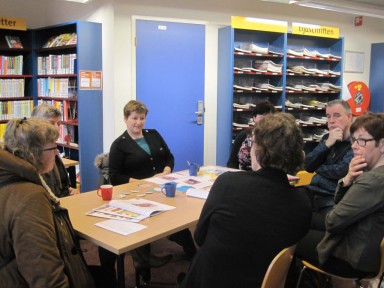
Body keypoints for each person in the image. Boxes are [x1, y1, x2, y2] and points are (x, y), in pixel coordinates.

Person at [179, 113, 312, 288]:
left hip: (213, 279)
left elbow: (200, 237)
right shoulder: (304, 202)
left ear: (258, 150)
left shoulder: (228, 183)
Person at [102, 100, 196, 283]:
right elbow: (114, 176)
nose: (138, 122)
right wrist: (141, 182)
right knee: (146, 224)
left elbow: (169, 156)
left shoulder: (153, 134)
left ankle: (191, 253)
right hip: (136, 192)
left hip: (163, 185)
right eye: (134, 118)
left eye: (142, 118)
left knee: (180, 215)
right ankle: (143, 265)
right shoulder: (119, 145)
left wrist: (167, 171)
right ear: (125, 119)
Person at [0, 118, 95, 288]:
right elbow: (44, 271)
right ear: (33, 153)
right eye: (53, 147)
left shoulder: (9, 179)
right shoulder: (30, 198)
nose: (57, 152)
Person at [294, 112, 384, 287]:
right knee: (304, 220)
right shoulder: (371, 174)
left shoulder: (373, 180)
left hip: (350, 258)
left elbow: (333, 221)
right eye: (354, 141)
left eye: (362, 141)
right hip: (361, 248)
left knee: (289, 234)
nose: (355, 147)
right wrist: (347, 179)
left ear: (382, 145)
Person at [304, 99, 353, 228]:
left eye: (337, 115)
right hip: (312, 193)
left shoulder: (357, 142)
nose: (331, 120)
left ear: (349, 117)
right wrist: (326, 145)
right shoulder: (328, 138)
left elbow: (341, 171)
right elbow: (308, 165)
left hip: (332, 198)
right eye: (328, 116)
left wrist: (317, 166)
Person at [31, 103, 80, 197]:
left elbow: (59, 186)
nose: (57, 127)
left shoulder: (51, 149)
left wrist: (69, 190)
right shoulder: (34, 154)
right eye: (51, 123)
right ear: (37, 124)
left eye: (58, 123)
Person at [227, 100, 276, 170]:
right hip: (242, 176)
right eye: (262, 117)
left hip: (266, 177)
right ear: (254, 118)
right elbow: (232, 162)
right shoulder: (243, 136)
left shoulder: (277, 138)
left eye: (269, 118)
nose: (266, 121)